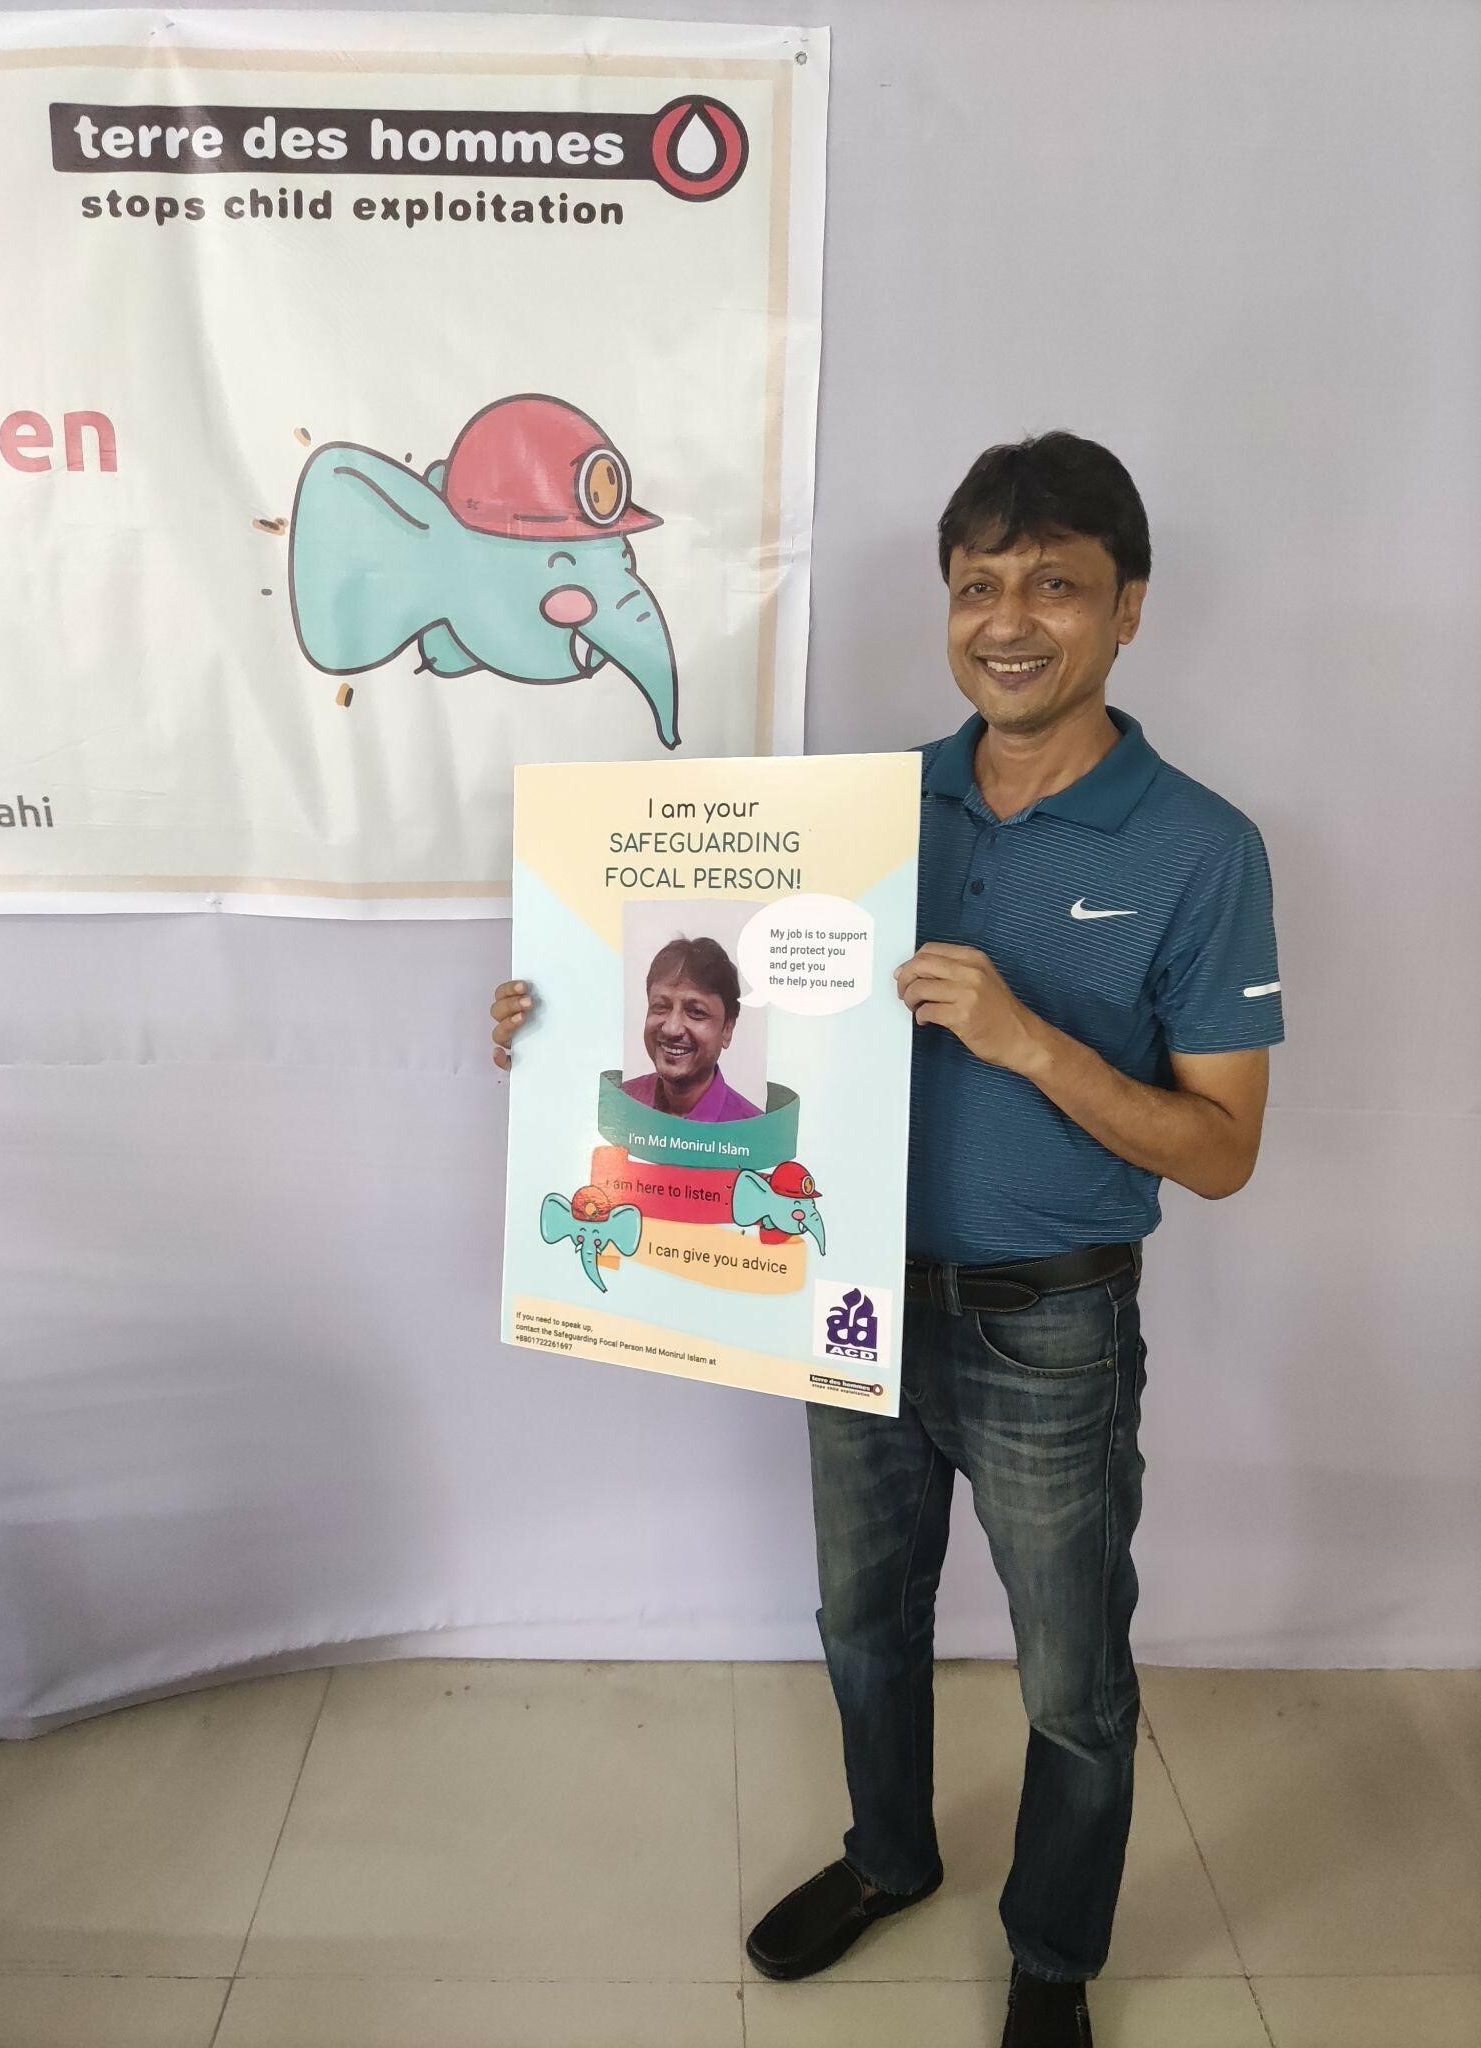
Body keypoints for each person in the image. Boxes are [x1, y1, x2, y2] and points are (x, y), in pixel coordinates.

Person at [491, 431, 1283, 2048]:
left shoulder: (1202, 846)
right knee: (861, 1620)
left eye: (1053, 583)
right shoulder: (854, 813)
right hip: (835, 1295)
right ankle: (889, 1853)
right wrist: (558, 1006)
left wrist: (1033, 1041)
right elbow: (706, 1007)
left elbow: (1223, 1150)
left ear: (1128, 607)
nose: (1008, 617)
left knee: (1072, 1676)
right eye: (977, 582)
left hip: (1048, 1325)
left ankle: (1053, 1948)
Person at [619, 934, 762, 1122]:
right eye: (660, 1007)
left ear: (727, 1029)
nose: (671, 1028)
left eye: (695, 1011)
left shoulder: (753, 1132)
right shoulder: (621, 1105)